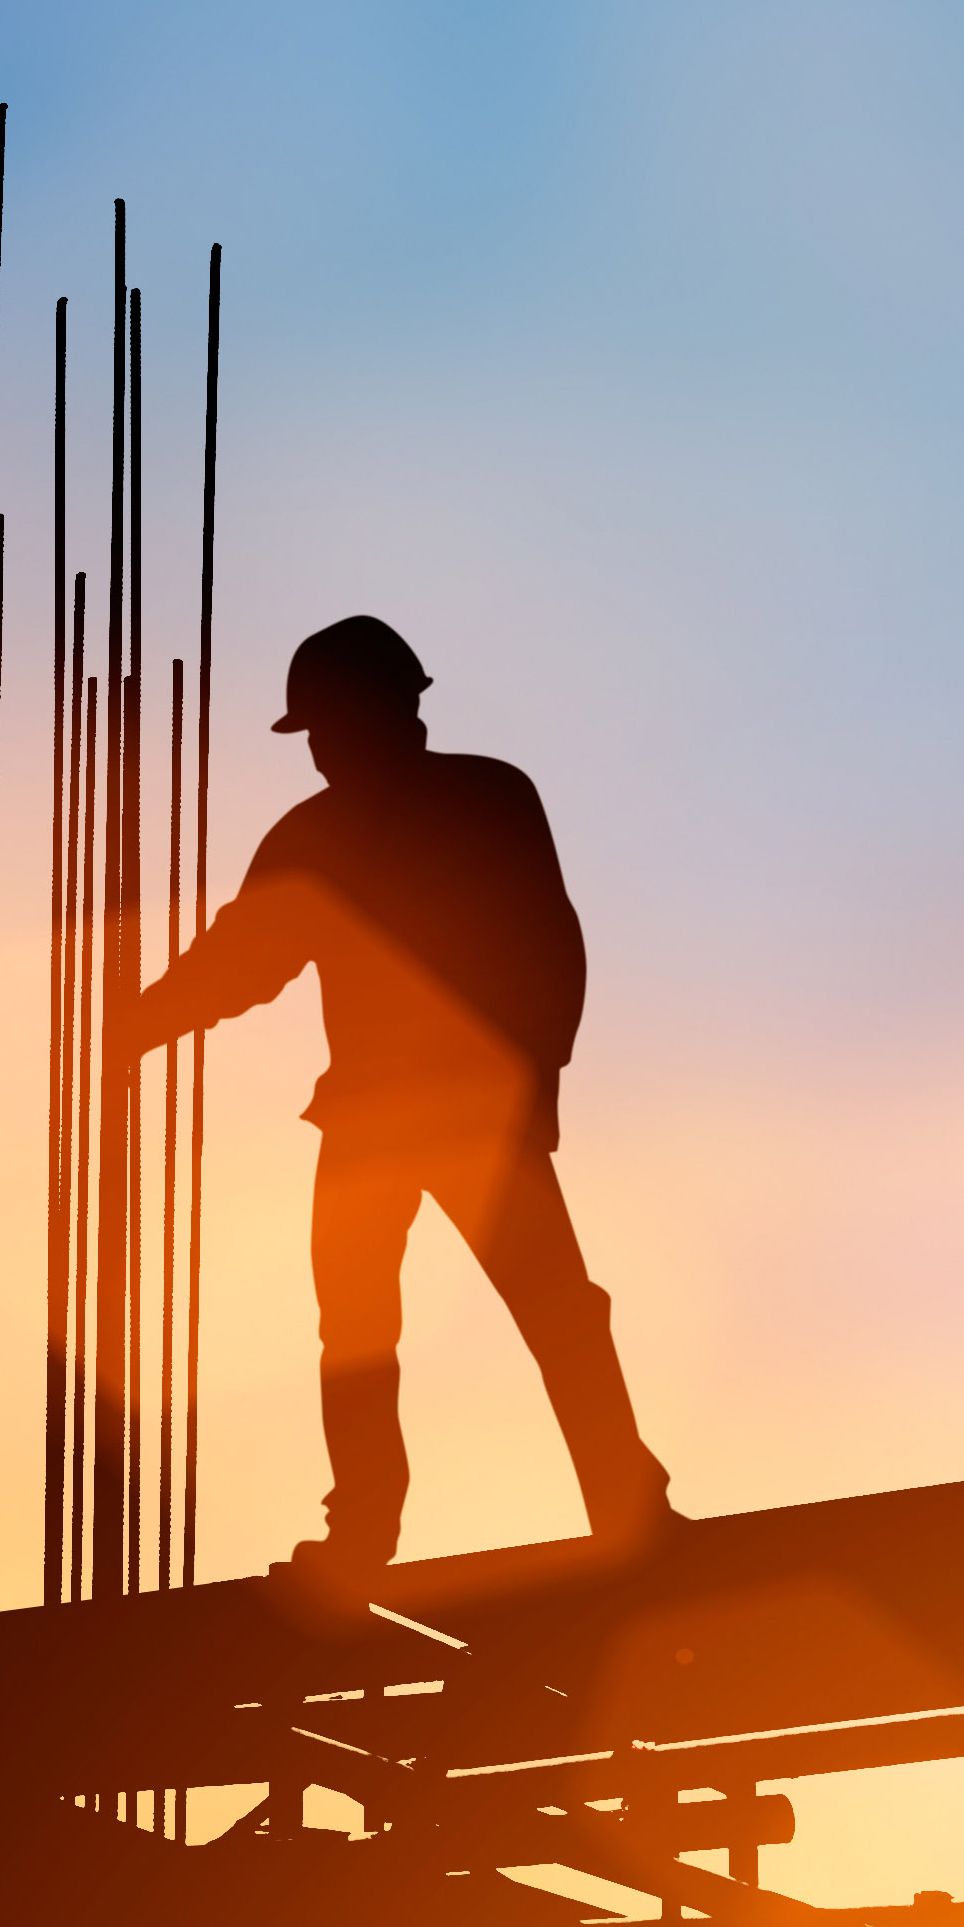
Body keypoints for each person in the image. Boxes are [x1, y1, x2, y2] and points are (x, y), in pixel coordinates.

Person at [119, 613, 673, 1587]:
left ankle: (621, 1505)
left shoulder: (475, 802)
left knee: (540, 1316)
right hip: (383, 1116)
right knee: (370, 1327)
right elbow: (244, 961)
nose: (321, 751)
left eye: (327, 728)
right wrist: (141, 1022)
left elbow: (547, 940)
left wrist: (537, 1077)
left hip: (460, 1111)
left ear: (385, 712)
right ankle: (372, 1531)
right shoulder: (330, 832)